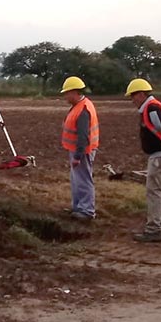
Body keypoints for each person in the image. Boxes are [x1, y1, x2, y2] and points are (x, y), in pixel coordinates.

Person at [125, 78, 161, 242]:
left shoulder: (151, 108)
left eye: (133, 96)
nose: (132, 100)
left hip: (160, 156)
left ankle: (153, 229)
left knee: (154, 192)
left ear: (142, 94)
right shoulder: (154, 106)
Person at [60, 76, 99, 221]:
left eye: (67, 93)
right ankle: (78, 207)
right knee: (77, 179)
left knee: (83, 180)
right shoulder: (79, 105)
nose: (65, 96)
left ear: (75, 92)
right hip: (77, 150)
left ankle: (87, 211)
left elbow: (83, 136)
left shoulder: (83, 109)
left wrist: (77, 156)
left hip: (82, 152)